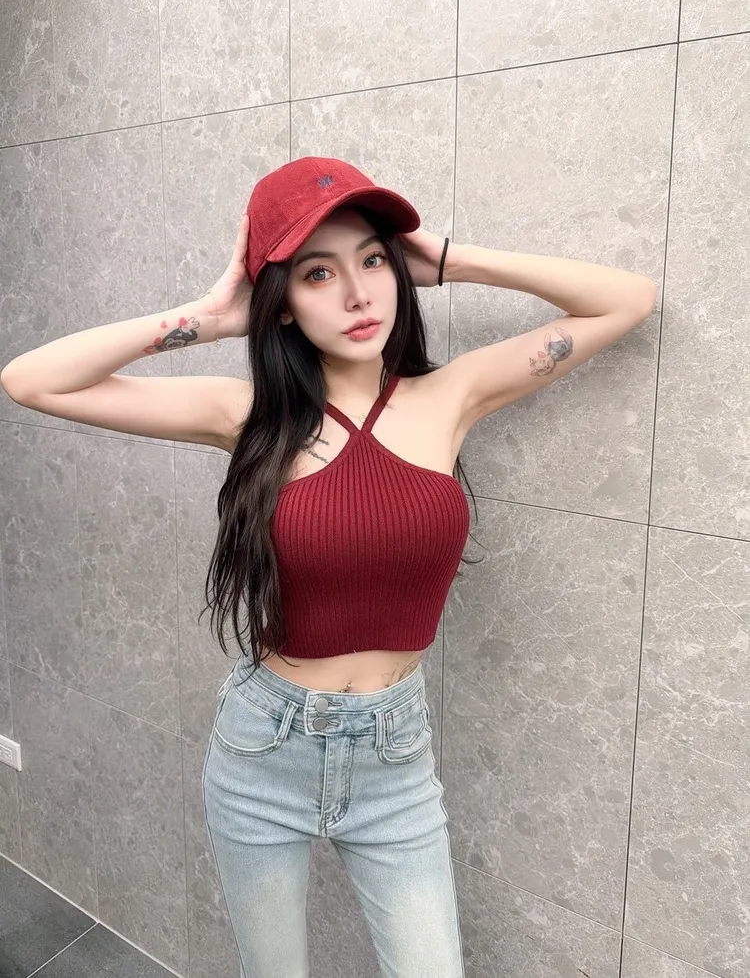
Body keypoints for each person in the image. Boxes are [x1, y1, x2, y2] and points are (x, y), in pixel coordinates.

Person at [0, 155, 656, 977]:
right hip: (264, 747)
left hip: (395, 755)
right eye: (318, 273)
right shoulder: (247, 413)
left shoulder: (451, 395)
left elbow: (629, 298)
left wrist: (449, 259)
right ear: (280, 301)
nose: (356, 294)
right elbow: (31, 380)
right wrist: (213, 316)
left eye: (372, 260)